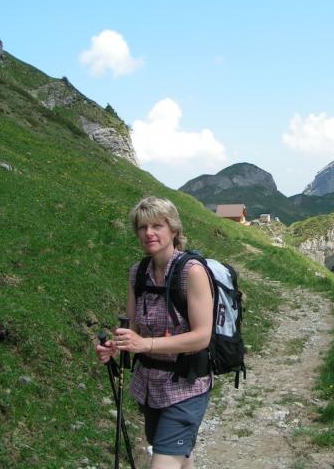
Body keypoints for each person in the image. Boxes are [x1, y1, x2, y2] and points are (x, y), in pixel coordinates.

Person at [96, 196, 213, 469]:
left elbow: (202, 336)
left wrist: (145, 344)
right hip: (149, 387)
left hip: (186, 387)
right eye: (142, 227)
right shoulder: (137, 273)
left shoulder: (192, 272)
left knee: (164, 461)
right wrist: (115, 347)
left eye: (157, 226)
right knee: (179, 456)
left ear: (173, 230)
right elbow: (133, 329)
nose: (149, 233)